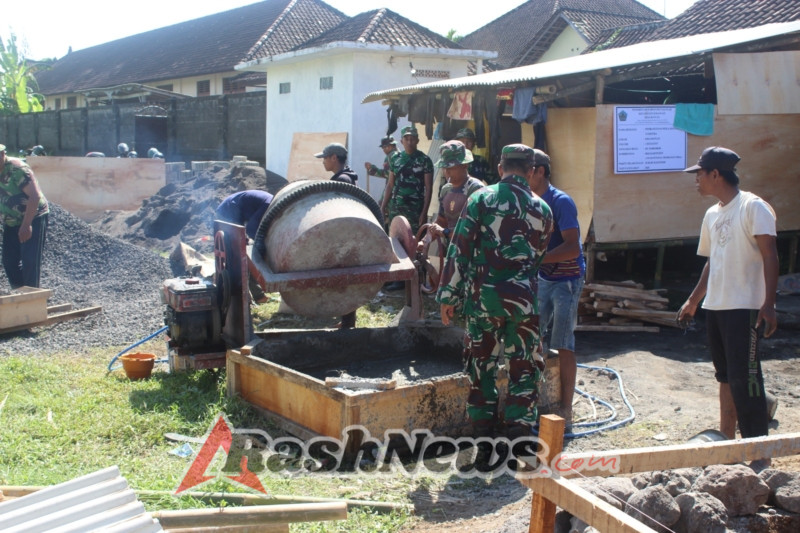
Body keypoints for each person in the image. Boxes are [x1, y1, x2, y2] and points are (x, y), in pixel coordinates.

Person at [436, 144, 552, 439]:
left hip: (482, 303)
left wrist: (448, 297)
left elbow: (459, 250)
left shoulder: (479, 200)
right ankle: (519, 440)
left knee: (481, 369)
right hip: (524, 306)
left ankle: (484, 442)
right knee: (524, 370)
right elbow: (537, 257)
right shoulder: (543, 209)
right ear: (530, 171)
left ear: (501, 167)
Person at [677, 147, 778, 448]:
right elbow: (713, 260)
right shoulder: (712, 214)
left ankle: (758, 450)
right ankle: (726, 443)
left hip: (745, 307)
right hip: (717, 307)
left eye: (700, 174)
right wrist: (694, 301)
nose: (696, 180)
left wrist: (769, 304)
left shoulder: (753, 207)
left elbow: (770, 255)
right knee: (725, 378)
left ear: (715, 174)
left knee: (746, 380)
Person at [528, 148, 585, 433]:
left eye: (529, 169)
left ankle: (566, 407)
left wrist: (539, 259)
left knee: (563, 343)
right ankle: (537, 400)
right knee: (533, 335)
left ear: (540, 171)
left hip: (566, 280)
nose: (524, 174)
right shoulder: (530, 201)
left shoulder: (561, 202)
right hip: (544, 278)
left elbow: (573, 247)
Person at [315, 143, 359, 327]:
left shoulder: (342, 180)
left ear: (334, 158)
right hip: (346, 234)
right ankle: (347, 319)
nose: (323, 161)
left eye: (324, 157)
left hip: (342, 236)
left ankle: (348, 321)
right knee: (344, 279)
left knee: (343, 280)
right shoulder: (347, 176)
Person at [0, 143, 50, 289]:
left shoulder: (18, 169)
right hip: (11, 220)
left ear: (3, 155)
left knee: (30, 260)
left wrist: (26, 225)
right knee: (9, 261)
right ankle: (20, 293)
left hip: (33, 216)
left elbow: (34, 197)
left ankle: (32, 295)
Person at [215, 190, 274, 304]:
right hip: (227, 212)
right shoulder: (269, 205)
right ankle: (244, 298)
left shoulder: (270, 203)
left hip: (235, 212)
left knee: (245, 257)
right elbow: (252, 229)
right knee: (240, 258)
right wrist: (261, 244)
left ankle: (256, 296)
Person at [380, 125, 433, 236]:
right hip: (396, 208)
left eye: (412, 139)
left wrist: (424, 212)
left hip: (415, 210)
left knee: (414, 243)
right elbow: (390, 185)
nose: (409, 142)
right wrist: (383, 206)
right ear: (401, 141)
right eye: (406, 139)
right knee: (395, 241)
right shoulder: (395, 159)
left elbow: (428, 188)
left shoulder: (425, 160)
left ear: (417, 141)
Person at [427, 140, 484, 240]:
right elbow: (441, 221)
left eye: (451, 167)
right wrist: (424, 242)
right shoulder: (445, 190)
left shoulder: (476, 189)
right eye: (444, 167)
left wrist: (444, 232)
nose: (446, 171)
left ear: (465, 165)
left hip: (472, 253)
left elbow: (472, 231)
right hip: (451, 251)